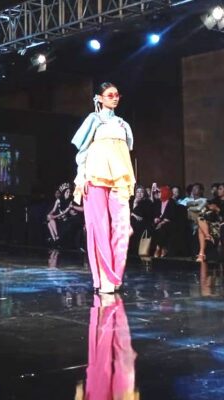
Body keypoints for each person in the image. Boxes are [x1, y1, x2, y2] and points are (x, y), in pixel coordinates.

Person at [71, 82, 135, 293]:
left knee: (122, 227)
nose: (115, 98)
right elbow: (82, 153)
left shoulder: (123, 124)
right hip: (95, 176)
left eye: (117, 95)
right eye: (110, 95)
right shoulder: (94, 119)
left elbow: (126, 153)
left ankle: (116, 275)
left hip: (120, 177)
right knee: (99, 227)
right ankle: (105, 279)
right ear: (99, 98)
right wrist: (81, 177)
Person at [196, 182, 224, 261]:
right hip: (211, 223)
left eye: (220, 189)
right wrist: (209, 207)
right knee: (200, 219)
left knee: (200, 229)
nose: (218, 191)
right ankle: (207, 237)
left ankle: (201, 254)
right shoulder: (214, 200)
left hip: (223, 224)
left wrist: (217, 209)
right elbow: (206, 211)